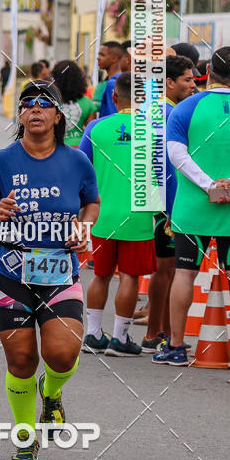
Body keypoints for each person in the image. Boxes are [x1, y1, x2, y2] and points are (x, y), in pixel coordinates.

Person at [0, 80, 100, 460]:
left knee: (62, 354)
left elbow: (92, 202)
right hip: (9, 274)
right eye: (28, 103)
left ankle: (52, 392)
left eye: (45, 103)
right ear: (20, 115)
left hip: (59, 272)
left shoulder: (77, 161)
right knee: (22, 359)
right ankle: (26, 437)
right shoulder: (2, 161)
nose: (36, 108)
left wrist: (84, 226)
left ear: (58, 116)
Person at [154, 47, 230, 368]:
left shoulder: (186, 107)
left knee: (185, 273)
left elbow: (176, 154)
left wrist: (208, 185)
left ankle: (176, 346)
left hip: (192, 206)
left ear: (208, 71)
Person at [79, 72, 158, 356]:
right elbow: (163, 177)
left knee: (100, 275)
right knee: (129, 276)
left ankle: (92, 335)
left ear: (114, 97)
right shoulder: (153, 130)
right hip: (138, 215)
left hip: (102, 214)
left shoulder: (96, 128)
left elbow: (81, 167)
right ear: (143, 98)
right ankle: (120, 339)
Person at [140, 56, 195, 351]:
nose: (193, 84)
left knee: (165, 270)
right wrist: (173, 210)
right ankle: (155, 333)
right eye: (188, 79)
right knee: (165, 270)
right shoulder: (170, 113)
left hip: (150, 199)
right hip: (165, 202)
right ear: (170, 82)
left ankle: (161, 331)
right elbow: (167, 167)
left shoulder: (149, 109)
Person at [51, 60, 97, 147]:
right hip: (79, 147)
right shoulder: (88, 103)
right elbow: (90, 133)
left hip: (54, 147)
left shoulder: (49, 103)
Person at [96, 42, 123, 118]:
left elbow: (112, 114)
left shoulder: (113, 83)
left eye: (102, 55)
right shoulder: (121, 79)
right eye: (98, 54)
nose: (98, 58)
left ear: (114, 58)